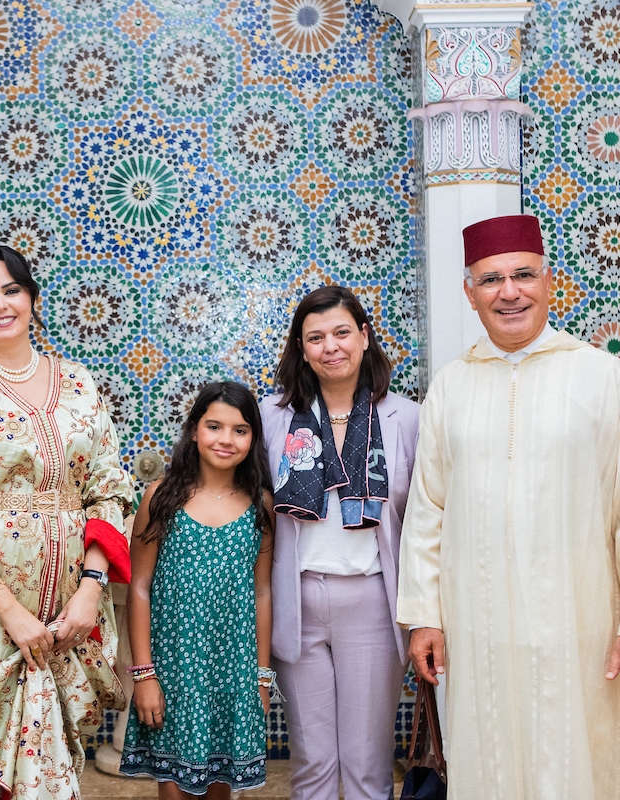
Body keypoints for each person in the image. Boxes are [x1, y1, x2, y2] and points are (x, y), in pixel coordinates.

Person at [398, 214, 620, 799]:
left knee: (574, 761)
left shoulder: (602, 377)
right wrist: (425, 614)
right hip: (476, 624)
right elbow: (428, 510)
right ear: (469, 294)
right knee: (485, 754)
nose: (510, 292)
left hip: (580, 621)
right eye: (491, 280)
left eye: (523, 275)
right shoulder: (450, 386)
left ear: (550, 282)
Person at [0, 244, 135, 800]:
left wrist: (90, 590)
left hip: (73, 613)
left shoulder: (80, 383)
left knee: (62, 766)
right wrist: (12, 614)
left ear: (33, 299)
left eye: (11, 290)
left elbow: (109, 490)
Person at [258, 286, 418, 800]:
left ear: (365, 337)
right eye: (316, 337)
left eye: (342, 332)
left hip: (372, 600)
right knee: (313, 762)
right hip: (297, 598)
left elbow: (424, 518)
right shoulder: (271, 418)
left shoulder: (406, 418)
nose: (331, 346)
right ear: (301, 349)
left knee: (368, 763)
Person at [120, 381, 275, 798]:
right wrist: (144, 675)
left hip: (233, 672)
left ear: (253, 439)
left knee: (220, 784)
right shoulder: (161, 496)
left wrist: (261, 678)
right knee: (175, 786)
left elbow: (262, 592)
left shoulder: (261, 505)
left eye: (240, 430)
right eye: (214, 426)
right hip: (174, 672)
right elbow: (139, 588)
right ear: (194, 431)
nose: (226, 439)